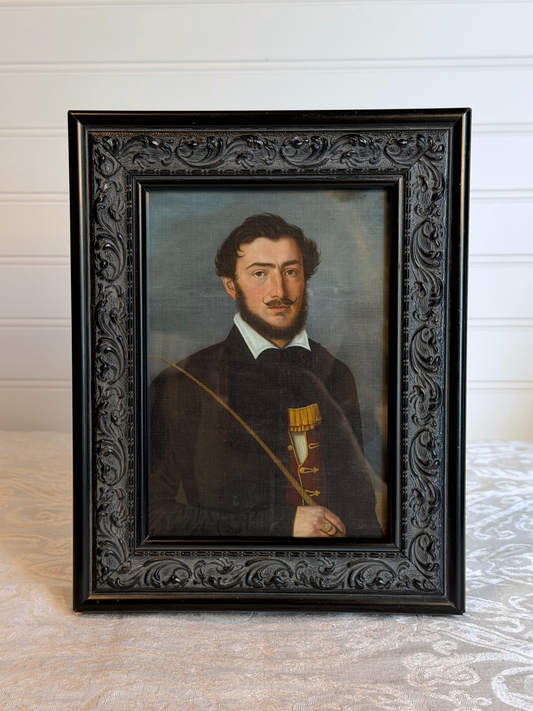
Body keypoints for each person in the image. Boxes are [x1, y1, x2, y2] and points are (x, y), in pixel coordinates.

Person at [149, 213, 382, 538]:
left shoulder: (336, 374)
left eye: (290, 272)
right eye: (260, 273)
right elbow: (153, 515)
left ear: (305, 279)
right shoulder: (182, 383)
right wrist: (280, 524)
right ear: (231, 286)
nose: (279, 291)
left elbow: (360, 509)